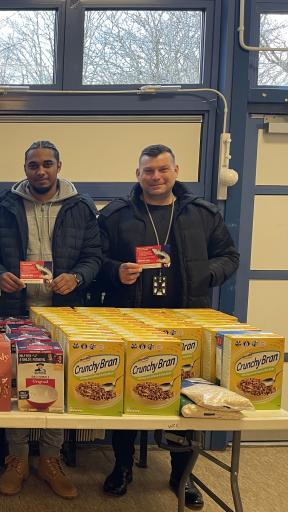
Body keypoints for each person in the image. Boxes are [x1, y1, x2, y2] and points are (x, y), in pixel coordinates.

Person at [97, 144, 239, 510]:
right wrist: (116, 271)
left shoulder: (202, 214)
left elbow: (230, 256)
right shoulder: (116, 215)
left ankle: (182, 474)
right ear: (137, 174)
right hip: (130, 316)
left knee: (185, 396)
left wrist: (204, 273)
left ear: (176, 170)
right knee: (127, 392)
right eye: (148, 171)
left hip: (186, 317)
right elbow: (95, 259)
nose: (155, 177)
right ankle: (122, 466)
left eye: (162, 170)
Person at [0, 140, 101, 499]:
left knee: (57, 388)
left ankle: (51, 459)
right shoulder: (5, 207)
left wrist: (77, 277)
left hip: (62, 312)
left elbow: (95, 256)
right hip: (15, 309)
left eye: (47, 164)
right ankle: (16, 458)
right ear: (25, 169)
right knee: (16, 385)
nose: (40, 171)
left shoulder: (81, 207)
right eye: (33, 165)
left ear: (59, 166)